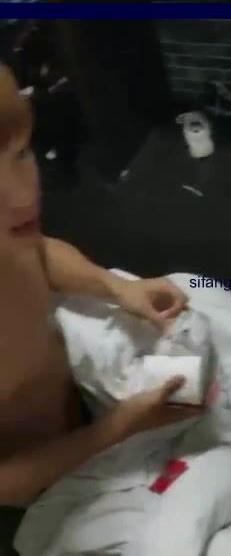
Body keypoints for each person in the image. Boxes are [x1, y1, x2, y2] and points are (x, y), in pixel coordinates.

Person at [0, 64, 201, 517]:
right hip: (39, 489)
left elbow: (39, 251)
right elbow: (5, 483)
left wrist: (116, 287)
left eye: (21, 153)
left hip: (83, 401)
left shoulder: (9, 234)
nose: (24, 194)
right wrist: (119, 427)